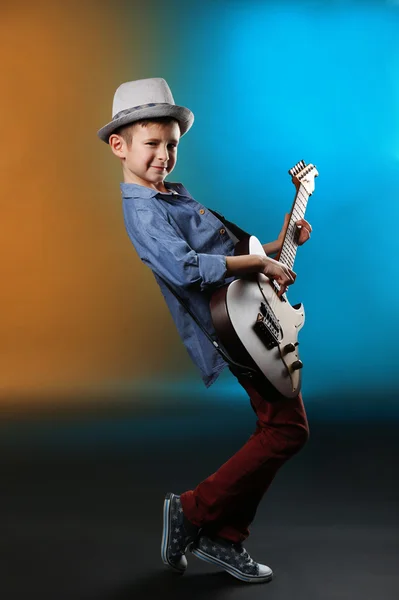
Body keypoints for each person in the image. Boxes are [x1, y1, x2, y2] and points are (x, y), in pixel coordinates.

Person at [97, 77, 312, 584]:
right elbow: (188, 269)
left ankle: (219, 530)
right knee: (286, 429)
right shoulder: (143, 209)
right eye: (152, 144)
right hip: (233, 332)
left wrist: (281, 241)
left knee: (281, 428)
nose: (164, 155)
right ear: (119, 145)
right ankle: (197, 514)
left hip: (247, 319)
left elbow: (236, 254)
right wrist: (257, 268)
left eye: (171, 144)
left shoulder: (171, 196)